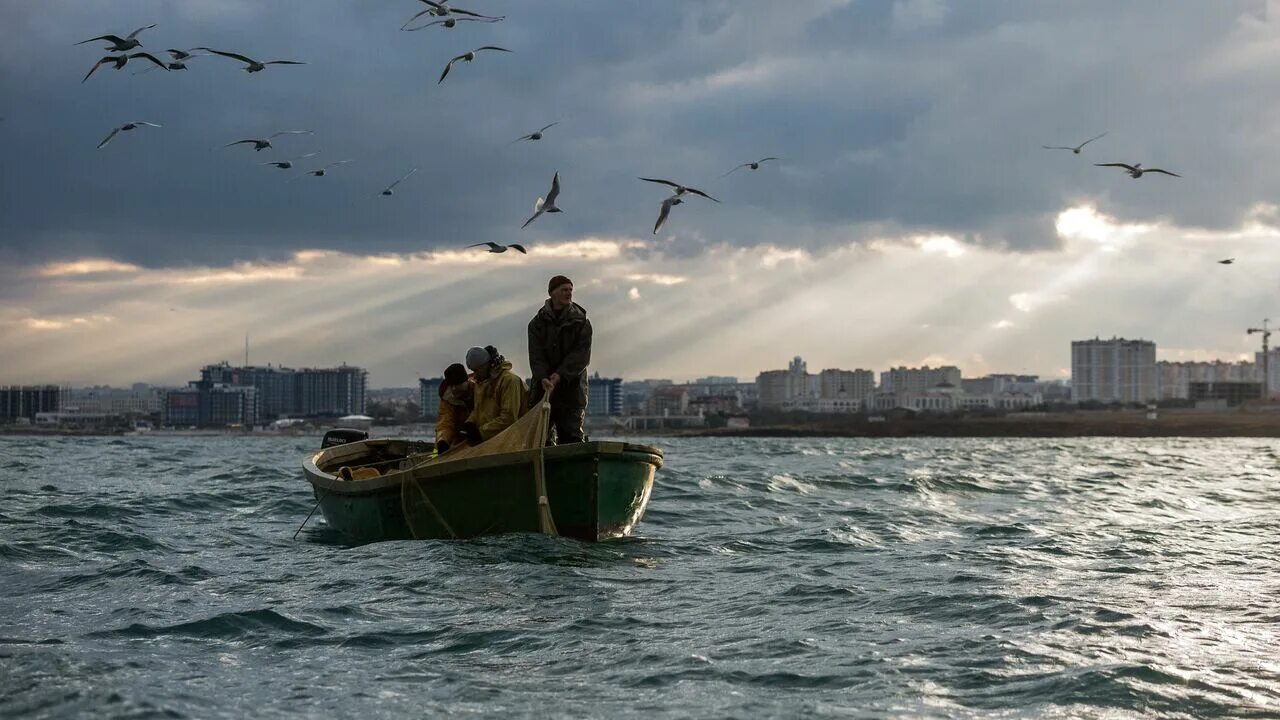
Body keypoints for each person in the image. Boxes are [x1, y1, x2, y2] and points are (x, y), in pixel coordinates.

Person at [528, 275, 592, 444]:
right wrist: (542, 377)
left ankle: (575, 469)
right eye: (564, 290)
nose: (568, 294)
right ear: (552, 293)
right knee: (542, 439)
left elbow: (581, 356)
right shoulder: (536, 324)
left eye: (571, 290)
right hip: (544, 389)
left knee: (571, 436)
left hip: (572, 389)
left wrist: (560, 374)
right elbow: (536, 355)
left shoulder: (581, 322)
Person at [457, 345, 528, 445]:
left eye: (477, 370)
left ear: (487, 365)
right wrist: (470, 423)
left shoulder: (509, 381)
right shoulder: (481, 383)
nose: (475, 375)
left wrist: (481, 433)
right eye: (473, 371)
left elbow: (509, 418)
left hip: (513, 441)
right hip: (491, 441)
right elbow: (479, 410)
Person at [434, 362, 473, 454]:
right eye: (452, 385)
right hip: (457, 443)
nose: (454, 388)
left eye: (458, 384)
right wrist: (442, 440)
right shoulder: (448, 400)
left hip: (479, 440)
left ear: (466, 382)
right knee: (437, 454)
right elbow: (445, 423)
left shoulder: (479, 391)